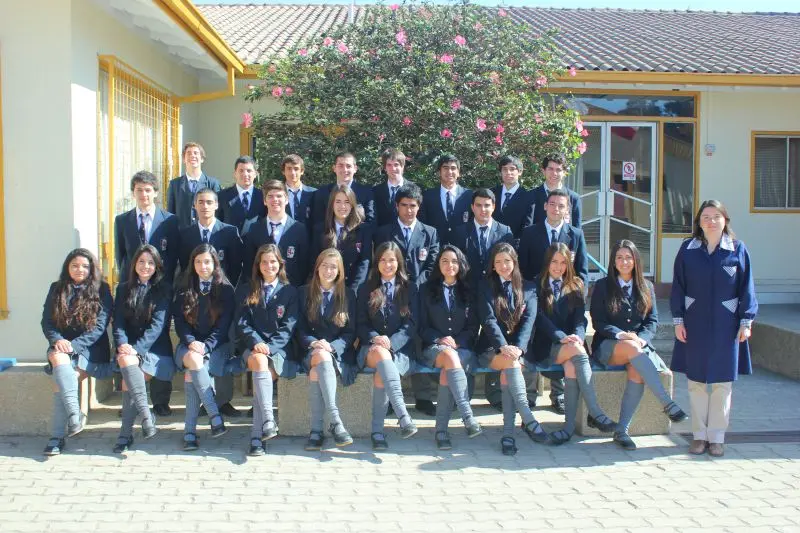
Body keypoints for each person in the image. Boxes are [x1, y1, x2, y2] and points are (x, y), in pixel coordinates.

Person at [670, 200, 757, 457]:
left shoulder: (738, 250)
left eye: (716, 216)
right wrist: (678, 321)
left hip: (726, 326)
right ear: (698, 221)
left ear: (725, 220)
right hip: (693, 324)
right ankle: (698, 436)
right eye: (705, 217)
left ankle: (716, 437)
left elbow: (747, 289)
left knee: (721, 383)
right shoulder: (687, 249)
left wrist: (746, 322)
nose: (710, 221)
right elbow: (678, 288)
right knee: (696, 381)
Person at [590, 239, 688, 451]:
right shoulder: (602, 286)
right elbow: (598, 322)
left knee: (636, 369)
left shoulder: (647, 286)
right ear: (613, 261)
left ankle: (622, 430)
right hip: (609, 345)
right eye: (619, 258)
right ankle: (667, 403)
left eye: (628, 257)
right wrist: (622, 335)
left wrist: (641, 338)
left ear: (636, 260)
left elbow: (652, 321)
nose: (624, 262)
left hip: (638, 346)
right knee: (634, 350)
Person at [529, 243, 616, 445]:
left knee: (571, 367)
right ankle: (594, 412)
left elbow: (580, 319)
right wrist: (561, 336)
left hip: (571, 346)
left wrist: (577, 335)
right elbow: (539, 319)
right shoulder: (535, 284)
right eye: (554, 262)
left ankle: (567, 428)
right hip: (546, 346)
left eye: (563, 263)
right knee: (577, 352)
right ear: (547, 262)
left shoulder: (576, 285)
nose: (558, 267)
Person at [113, 170, 179, 416]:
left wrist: (167, 287)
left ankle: (161, 400)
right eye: (139, 190)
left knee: (160, 337)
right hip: (133, 289)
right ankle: (131, 399)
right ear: (133, 193)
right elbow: (122, 258)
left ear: (156, 193)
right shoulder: (122, 221)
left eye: (148, 190)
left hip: (161, 290)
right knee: (132, 337)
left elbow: (174, 257)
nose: (143, 194)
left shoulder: (170, 220)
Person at [518, 188, 589, 414]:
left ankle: (557, 395)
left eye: (561, 205)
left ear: (567, 209)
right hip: (536, 298)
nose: (556, 209)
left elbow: (582, 272)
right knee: (531, 341)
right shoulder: (530, 233)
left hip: (565, 300)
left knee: (565, 337)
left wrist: (575, 297)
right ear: (545, 206)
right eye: (553, 204)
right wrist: (528, 295)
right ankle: (529, 394)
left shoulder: (576, 235)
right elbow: (523, 268)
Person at [476, 242, 550, 455]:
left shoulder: (529, 288)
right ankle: (528, 420)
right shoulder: (485, 287)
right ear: (492, 265)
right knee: (511, 365)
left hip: (518, 351)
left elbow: (529, 321)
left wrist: (518, 348)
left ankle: (508, 436)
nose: (503, 266)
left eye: (507, 261)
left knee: (511, 368)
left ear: (514, 262)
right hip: (491, 347)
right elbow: (488, 321)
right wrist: (503, 346)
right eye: (498, 262)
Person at [374, 184, 440, 415]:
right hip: (393, 293)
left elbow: (432, 265)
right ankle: (392, 398)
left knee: (419, 340)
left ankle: (423, 397)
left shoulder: (430, 232)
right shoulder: (384, 232)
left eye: (413, 206)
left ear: (419, 207)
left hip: (421, 295)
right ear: (396, 206)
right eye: (404, 205)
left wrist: (415, 285)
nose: (409, 210)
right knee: (395, 337)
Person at [41, 249, 113, 456]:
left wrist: (74, 346)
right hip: (62, 346)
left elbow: (100, 327)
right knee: (58, 358)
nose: (79, 270)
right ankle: (74, 416)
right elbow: (47, 322)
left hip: (91, 349)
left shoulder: (102, 289)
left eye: (84, 266)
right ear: (67, 268)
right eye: (74, 265)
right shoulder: (56, 289)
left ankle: (56, 438)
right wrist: (58, 340)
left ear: (91, 269)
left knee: (62, 379)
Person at [178, 188, 243, 418]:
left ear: (216, 205)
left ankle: (223, 401)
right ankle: (203, 400)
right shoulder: (185, 234)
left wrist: (224, 291)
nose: (205, 206)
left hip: (222, 298)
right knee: (198, 351)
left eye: (209, 202)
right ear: (194, 206)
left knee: (223, 345)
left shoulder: (229, 232)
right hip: (195, 300)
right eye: (200, 202)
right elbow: (184, 267)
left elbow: (236, 267)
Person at [235, 244, 299, 456]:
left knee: (261, 376)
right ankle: (268, 421)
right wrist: (256, 343)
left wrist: (269, 347)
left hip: (279, 350)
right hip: (251, 347)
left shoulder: (290, 292)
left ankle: (257, 437)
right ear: (258, 265)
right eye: (264, 262)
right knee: (260, 365)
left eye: (273, 261)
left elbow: (288, 327)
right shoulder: (246, 289)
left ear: (280, 264)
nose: (268, 266)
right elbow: (242, 323)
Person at [173, 244, 237, 451]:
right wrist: (192, 342)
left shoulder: (226, 290)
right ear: (193, 264)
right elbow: (180, 324)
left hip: (217, 347)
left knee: (193, 372)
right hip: (187, 346)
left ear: (215, 264)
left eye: (207, 261)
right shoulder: (183, 288)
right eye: (198, 262)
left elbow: (223, 327)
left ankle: (189, 432)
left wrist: (205, 346)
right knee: (194, 360)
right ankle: (214, 415)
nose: (203, 266)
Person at [356, 242, 419, 450]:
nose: (387, 264)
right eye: (383, 260)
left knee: (381, 373)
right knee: (381, 356)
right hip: (370, 348)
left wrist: (392, 342)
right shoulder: (366, 288)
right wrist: (376, 338)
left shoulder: (410, 288)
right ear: (377, 263)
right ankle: (402, 415)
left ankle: (377, 432)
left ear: (399, 262)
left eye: (391, 259)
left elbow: (412, 324)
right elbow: (360, 324)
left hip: (400, 350)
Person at [418, 245, 482, 450]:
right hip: (434, 348)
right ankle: (467, 415)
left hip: (462, 348)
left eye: (454, 261)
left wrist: (458, 341)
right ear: (438, 264)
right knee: (448, 357)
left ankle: (441, 432)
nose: (449, 265)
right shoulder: (426, 290)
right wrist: (440, 339)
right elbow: (421, 326)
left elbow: (474, 327)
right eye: (444, 261)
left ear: (460, 264)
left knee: (448, 368)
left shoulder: (470, 291)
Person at [111, 245, 174, 453]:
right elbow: (118, 323)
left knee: (130, 378)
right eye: (141, 262)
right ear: (134, 264)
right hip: (128, 349)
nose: (145, 266)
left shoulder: (164, 289)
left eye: (150, 262)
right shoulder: (122, 288)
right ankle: (146, 418)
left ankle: (125, 435)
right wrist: (123, 345)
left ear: (157, 266)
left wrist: (136, 349)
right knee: (129, 366)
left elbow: (158, 326)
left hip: (156, 350)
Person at [296, 249, 356, 450]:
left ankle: (316, 432)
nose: (328, 271)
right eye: (325, 265)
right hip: (309, 351)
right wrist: (314, 343)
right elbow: (299, 328)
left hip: (338, 354)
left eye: (333, 267)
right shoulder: (303, 292)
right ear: (317, 267)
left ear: (339, 271)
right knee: (320, 357)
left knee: (316, 373)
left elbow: (351, 333)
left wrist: (332, 347)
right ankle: (336, 421)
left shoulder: (348, 295)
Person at [242, 180, 309, 287]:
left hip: (291, 292)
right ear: (264, 201)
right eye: (270, 196)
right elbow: (249, 264)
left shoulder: (298, 229)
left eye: (279, 196)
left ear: (286, 199)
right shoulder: (254, 228)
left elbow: (304, 265)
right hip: (261, 291)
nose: (275, 200)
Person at [450, 188, 514, 294]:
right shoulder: (460, 232)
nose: (483, 209)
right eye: (478, 205)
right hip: (467, 292)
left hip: (496, 291)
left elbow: (511, 263)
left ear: (493, 206)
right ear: (472, 207)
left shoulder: (505, 232)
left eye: (487, 205)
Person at [310, 185, 372, 291]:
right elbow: (314, 261)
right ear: (332, 204)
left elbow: (364, 263)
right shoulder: (319, 229)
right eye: (338, 201)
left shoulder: (363, 230)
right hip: (325, 288)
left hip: (352, 289)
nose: (342, 206)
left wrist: (353, 291)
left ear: (352, 205)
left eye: (347, 202)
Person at [420, 154, 472, 246]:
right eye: (445, 168)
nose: (449, 171)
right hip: (436, 249)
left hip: (462, 251)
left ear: (458, 173)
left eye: (453, 168)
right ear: (439, 172)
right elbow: (423, 225)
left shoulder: (469, 195)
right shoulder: (427, 196)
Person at [167, 142, 221, 228]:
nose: (192, 155)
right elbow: (170, 213)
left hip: (205, 235)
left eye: (196, 153)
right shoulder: (174, 184)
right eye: (189, 153)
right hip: (182, 236)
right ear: (184, 159)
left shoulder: (213, 183)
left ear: (202, 159)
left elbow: (218, 213)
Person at [312, 152, 375, 225]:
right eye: (340, 166)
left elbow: (371, 221)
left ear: (355, 169)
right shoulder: (322, 192)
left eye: (348, 166)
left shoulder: (366, 192)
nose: (345, 170)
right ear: (334, 168)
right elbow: (317, 222)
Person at [216, 155, 266, 234]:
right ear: (235, 174)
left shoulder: (263, 196)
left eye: (249, 171)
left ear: (255, 174)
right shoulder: (222, 196)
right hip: (230, 244)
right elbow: (217, 224)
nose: (245, 174)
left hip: (256, 245)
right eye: (241, 171)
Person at [530, 153, 581, 227]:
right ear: (543, 171)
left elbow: (577, 230)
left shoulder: (574, 198)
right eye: (550, 169)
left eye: (558, 170)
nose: (554, 173)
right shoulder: (531, 196)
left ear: (564, 172)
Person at [491, 155, 534, 242]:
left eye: (512, 169)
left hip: (513, 248)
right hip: (490, 246)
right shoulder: (491, 193)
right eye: (505, 169)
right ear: (501, 172)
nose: (508, 172)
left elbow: (527, 228)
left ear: (520, 172)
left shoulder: (528, 197)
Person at [373, 148, 414, 227]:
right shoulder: (375, 192)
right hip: (383, 237)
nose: (393, 169)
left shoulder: (415, 189)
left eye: (396, 164)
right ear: (385, 168)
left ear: (403, 167)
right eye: (389, 165)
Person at [281, 154, 317, 233]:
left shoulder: (314, 193)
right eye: (289, 168)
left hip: (308, 241)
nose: (293, 172)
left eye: (296, 169)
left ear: (302, 171)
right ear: (283, 171)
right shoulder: (277, 195)